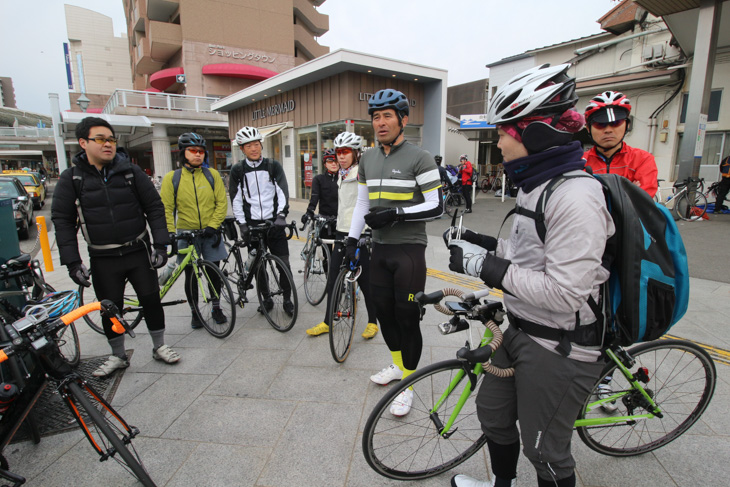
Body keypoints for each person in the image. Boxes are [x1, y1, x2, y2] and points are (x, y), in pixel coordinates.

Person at [446, 64, 615, 487]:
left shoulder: (576, 197)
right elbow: (528, 256)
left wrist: (483, 267)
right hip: (519, 328)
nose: (498, 139)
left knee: (544, 450)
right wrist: (480, 242)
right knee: (494, 417)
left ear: (535, 133)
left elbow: (564, 293)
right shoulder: (535, 185)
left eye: (506, 130)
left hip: (560, 345)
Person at [51, 117, 179, 377]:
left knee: (151, 299)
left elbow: (154, 207)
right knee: (110, 308)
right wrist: (72, 262)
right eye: (100, 139)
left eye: (111, 139)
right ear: (83, 143)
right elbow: (62, 221)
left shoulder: (130, 172)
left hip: (138, 251)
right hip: (103, 257)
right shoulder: (72, 178)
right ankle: (118, 355)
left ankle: (159, 346)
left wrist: (161, 246)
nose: (108, 144)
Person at [347, 89, 442, 416]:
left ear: (403, 119)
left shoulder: (420, 157)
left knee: (407, 317)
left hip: (409, 251)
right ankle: (399, 367)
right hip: (380, 250)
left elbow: (436, 205)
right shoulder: (368, 158)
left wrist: (396, 214)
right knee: (385, 313)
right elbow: (362, 203)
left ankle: (409, 384)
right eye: (375, 116)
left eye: (387, 115)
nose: (380, 122)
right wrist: (351, 239)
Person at [306, 133, 379, 339]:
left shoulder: (360, 174)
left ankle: (373, 322)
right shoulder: (342, 174)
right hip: (341, 229)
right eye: (338, 152)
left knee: (364, 280)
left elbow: (367, 203)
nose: (341, 156)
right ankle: (328, 321)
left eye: (345, 152)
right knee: (332, 280)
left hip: (360, 233)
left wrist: (368, 231)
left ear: (356, 153)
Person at [160, 133, 228, 329]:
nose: (198, 155)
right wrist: (172, 233)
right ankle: (194, 311)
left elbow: (221, 203)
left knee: (214, 273)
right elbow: (166, 208)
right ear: (183, 153)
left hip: (210, 232)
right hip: (185, 233)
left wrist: (213, 226)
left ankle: (216, 308)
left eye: (201, 151)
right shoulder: (172, 178)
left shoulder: (212, 175)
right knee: (190, 275)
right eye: (193, 151)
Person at [230, 126, 294, 315]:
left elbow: (283, 191)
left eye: (256, 144)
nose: (254, 148)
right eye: (249, 146)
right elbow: (235, 198)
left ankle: (288, 299)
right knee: (259, 267)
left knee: (284, 264)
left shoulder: (273, 166)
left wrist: (282, 215)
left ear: (261, 145)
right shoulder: (238, 170)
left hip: (274, 223)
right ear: (242, 149)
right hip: (252, 225)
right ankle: (266, 299)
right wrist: (242, 223)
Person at [583, 91, 658, 198]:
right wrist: (627, 191)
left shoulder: (642, 159)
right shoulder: (580, 161)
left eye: (616, 123)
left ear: (627, 125)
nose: (608, 130)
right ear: (588, 128)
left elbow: (642, 201)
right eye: (600, 124)